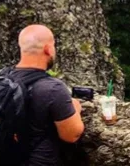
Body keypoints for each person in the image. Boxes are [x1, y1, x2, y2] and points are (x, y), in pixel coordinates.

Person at [8, 24, 85, 165]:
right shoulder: (52, 88)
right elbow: (72, 135)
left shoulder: (2, 78)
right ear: (48, 49)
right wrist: (76, 109)